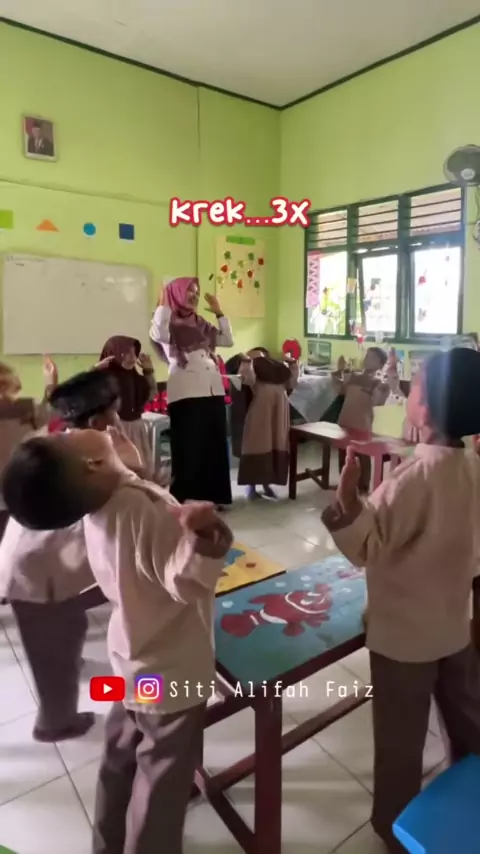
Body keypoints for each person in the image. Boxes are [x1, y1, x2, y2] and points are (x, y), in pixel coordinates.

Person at [2, 425, 233, 854]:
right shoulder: (144, 509)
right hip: (171, 672)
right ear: (92, 464)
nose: (72, 428)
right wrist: (206, 536)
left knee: (120, 759)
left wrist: (125, 464)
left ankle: (107, 844)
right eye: (65, 437)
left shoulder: (98, 505)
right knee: (162, 777)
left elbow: (133, 520)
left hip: (130, 662)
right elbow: (183, 582)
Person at [321, 347, 480, 853]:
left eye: (414, 387)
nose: (407, 392)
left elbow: (364, 548)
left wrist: (347, 498)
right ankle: (471, 795)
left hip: (403, 642)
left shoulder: (410, 479)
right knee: (467, 719)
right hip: (454, 626)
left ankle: (396, 827)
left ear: (425, 410)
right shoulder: (473, 468)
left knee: (400, 740)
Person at [0, 369, 141, 742]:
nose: (118, 419)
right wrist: (136, 468)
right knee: (51, 658)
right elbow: (132, 494)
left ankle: (68, 664)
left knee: (68, 630)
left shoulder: (62, 442)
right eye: (115, 411)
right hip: (36, 573)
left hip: (49, 565)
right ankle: (55, 723)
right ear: (96, 421)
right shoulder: (91, 461)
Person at [150, 277, 234, 506]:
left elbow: (228, 340)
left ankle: (214, 497)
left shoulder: (201, 323)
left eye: (197, 292)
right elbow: (159, 335)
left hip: (212, 389)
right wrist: (163, 305)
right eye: (190, 291)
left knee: (213, 445)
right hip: (186, 393)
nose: (195, 296)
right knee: (190, 448)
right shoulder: (166, 321)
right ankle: (188, 500)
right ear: (175, 294)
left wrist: (219, 313)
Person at [226, 348, 298, 500]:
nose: (260, 359)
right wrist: (246, 363)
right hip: (260, 415)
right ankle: (251, 487)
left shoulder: (279, 373)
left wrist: (292, 365)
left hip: (279, 416)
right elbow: (245, 379)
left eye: (262, 356)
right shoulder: (254, 373)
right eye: (256, 357)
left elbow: (292, 382)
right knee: (257, 446)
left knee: (274, 447)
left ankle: (267, 484)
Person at [0, 356, 57, 539]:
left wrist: (51, 385)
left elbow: (48, 416)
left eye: (3, 387)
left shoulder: (24, 409)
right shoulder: (23, 410)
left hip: (18, 494)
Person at [98, 336, 156, 478]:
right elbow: (88, 394)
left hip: (136, 428)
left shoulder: (135, 377)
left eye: (134, 353)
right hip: (116, 430)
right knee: (120, 471)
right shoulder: (105, 378)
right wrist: (95, 371)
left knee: (142, 470)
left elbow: (150, 394)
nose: (133, 358)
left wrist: (149, 372)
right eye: (126, 353)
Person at [333, 346, 390, 493]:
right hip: (345, 420)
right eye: (367, 356)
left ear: (380, 365)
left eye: (373, 358)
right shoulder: (354, 377)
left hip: (362, 425)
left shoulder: (379, 383)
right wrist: (339, 371)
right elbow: (340, 390)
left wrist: (381, 388)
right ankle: (344, 485)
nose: (368, 360)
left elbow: (377, 402)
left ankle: (363, 488)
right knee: (344, 454)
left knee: (363, 456)